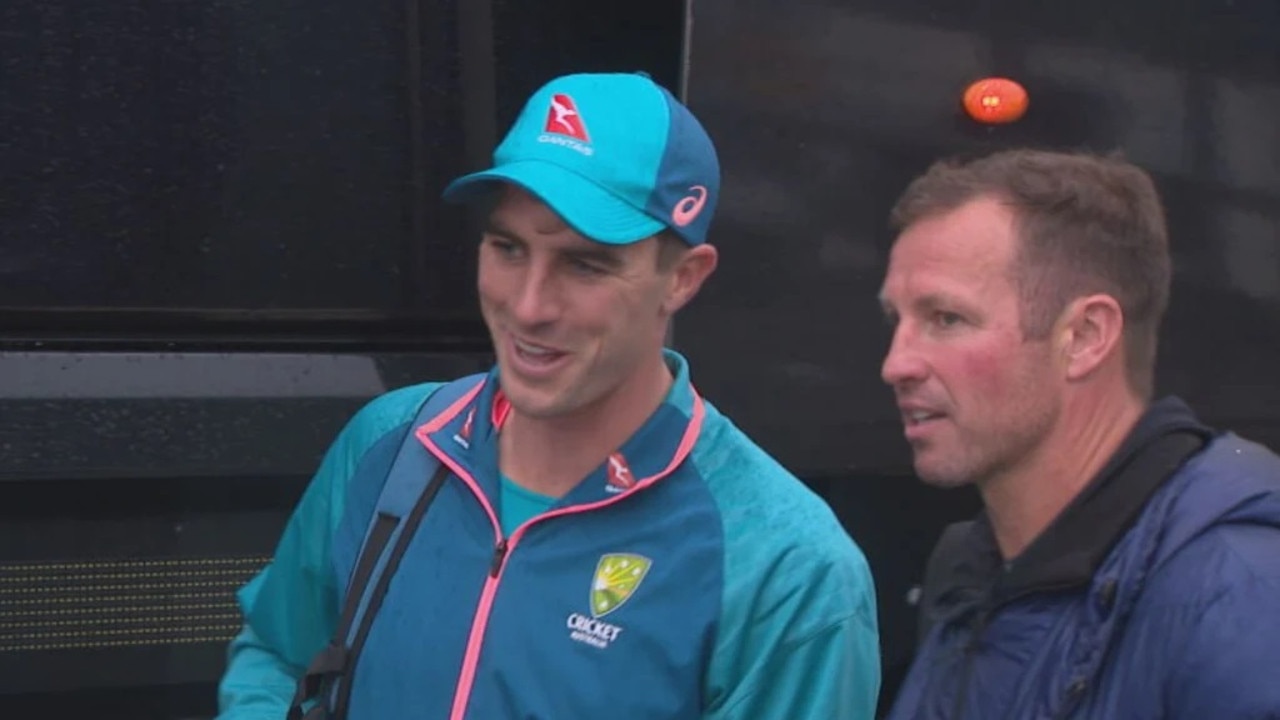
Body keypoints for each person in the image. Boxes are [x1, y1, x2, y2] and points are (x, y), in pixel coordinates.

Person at [214, 71, 881, 720]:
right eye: (507, 248)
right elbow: (278, 654)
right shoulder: (393, 443)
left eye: (584, 263)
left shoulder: (786, 569)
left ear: (683, 278)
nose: (529, 307)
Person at [876, 148, 1280, 719]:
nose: (897, 364)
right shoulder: (973, 579)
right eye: (897, 321)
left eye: (946, 319)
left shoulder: (1239, 594)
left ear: (1086, 336)